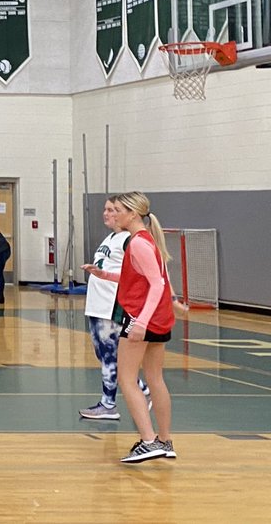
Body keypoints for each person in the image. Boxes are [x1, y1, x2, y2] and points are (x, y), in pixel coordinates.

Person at [110, 191, 181, 463]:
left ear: (133, 214)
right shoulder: (146, 241)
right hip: (158, 318)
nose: (114, 215)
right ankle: (165, 440)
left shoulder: (138, 242)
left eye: (118, 210)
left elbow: (157, 284)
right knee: (155, 378)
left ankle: (149, 441)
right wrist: (104, 274)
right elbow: (141, 276)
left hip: (143, 317)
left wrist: (140, 322)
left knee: (126, 379)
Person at [79, 196, 151, 421]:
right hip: (97, 305)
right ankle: (144, 391)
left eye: (112, 210)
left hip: (113, 305)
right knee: (103, 355)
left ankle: (108, 404)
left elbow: (139, 274)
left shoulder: (130, 240)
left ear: (128, 213)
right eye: (105, 209)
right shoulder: (110, 238)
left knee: (111, 355)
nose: (106, 213)